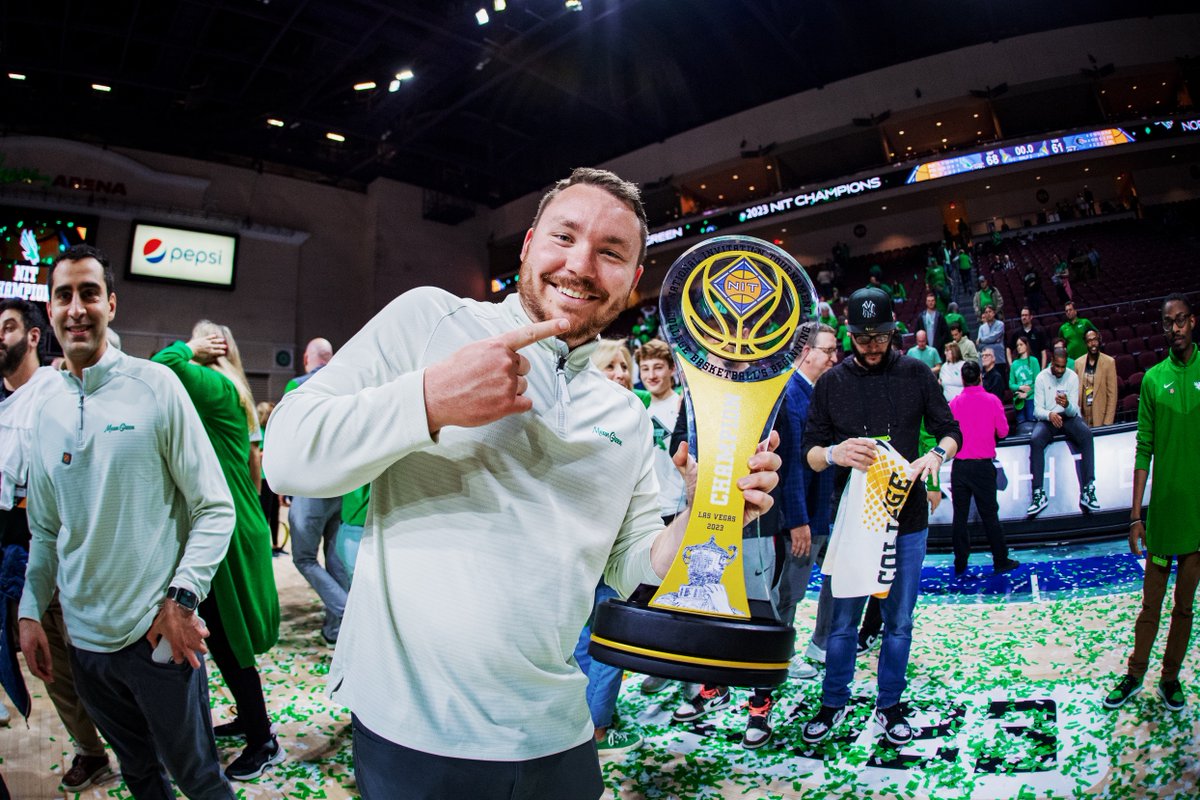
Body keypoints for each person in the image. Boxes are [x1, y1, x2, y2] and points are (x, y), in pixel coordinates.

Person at [262, 168, 780, 798]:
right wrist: (428, 400)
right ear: (529, 243)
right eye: (564, 237)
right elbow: (287, 456)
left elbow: (633, 567)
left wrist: (707, 512)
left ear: (634, 280)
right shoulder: (431, 320)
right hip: (417, 734)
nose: (581, 265)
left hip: (557, 732)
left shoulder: (623, 414)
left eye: (611, 252)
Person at [18, 245, 237, 799]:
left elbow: (214, 506)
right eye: (63, 295)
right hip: (84, 644)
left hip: (156, 635)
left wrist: (183, 599)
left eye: (89, 293)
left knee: (199, 778)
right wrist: (29, 613)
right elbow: (45, 530)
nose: (76, 308)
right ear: (49, 309)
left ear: (110, 305)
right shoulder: (45, 412)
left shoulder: (155, 387)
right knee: (138, 774)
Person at [799, 286, 961, 746]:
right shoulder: (831, 382)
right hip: (854, 524)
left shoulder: (915, 373)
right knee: (843, 621)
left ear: (895, 332)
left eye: (880, 338)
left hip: (907, 519)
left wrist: (936, 458)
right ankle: (833, 701)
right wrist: (834, 452)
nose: (871, 347)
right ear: (849, 335)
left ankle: (889, 702)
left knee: (900, 621)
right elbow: (808, 453)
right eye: (862, 338)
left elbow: (951, 431)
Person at [151, 322, 285, 780]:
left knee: (228, 640)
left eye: (199, 337)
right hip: (239, 519)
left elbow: (159, 366)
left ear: (212, 346)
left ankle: (263, 739)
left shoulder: (208, 384)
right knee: (223, 636)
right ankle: (251, 721)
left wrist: (186, 347)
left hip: (224, 528)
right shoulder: (234, 389)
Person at [0, 299, 113, 792]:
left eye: (6, 327)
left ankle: (140, 744)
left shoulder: (57, 388)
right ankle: (91, 751)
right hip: (10, 553)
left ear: (31, 336)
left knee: (96, 661)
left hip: (59, 548)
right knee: (50, 669)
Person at [736, 322, 838, 749]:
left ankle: (798, 649)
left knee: (810, 585)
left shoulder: (814, 392)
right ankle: (776, 660)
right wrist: (799, 519)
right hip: (794, 517)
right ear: (804, 351)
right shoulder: (787, 394)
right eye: (829, 350)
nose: (835, 357)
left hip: (818, 511)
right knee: (785, 594)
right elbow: (792, 465)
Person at [1104, 294, 1200, 713]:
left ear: (1192, 322)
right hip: (1160, 516)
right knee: (1150, 606)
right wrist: (1135, 517)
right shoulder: (1151, 380)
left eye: (1181, 321)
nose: (1175, 328)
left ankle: (1170, 677)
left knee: (1184, 607)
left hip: (1197, 518)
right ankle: (1134, 674)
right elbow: (1143, 448)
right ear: (1162, 327)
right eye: (1168, 323)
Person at [571, 338, 645, 755]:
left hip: (607, 545)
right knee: (604, 640)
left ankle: (586, 718)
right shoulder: (612, 420)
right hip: (601, 545)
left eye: (623, 366)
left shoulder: (627, 414)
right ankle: (596, 725)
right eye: (610, 366)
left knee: (590, 636)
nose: (619, 373)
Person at [286, 337, 348, 645]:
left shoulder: (298, 385)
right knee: (333, 557)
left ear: (307, 358)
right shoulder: (346, 385)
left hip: (310, 485)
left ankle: (346, 613)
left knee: (304, 558)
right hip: (341, 484)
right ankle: (334, 630)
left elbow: (289, 438)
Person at [948, 361, 1018, 578]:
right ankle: (1000, 559)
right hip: (983, 466)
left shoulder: (954, 404)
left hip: (960, 466)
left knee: (959, 517)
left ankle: (960, 563)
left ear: (962, 379)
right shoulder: (992, 401)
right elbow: (1004, 431)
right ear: (980, 377)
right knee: (990, 516)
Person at [1025, 348, 1100, 517]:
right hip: (1048, 418)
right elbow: (1037, 410)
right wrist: (1050, 415)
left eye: (1063, 367)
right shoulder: (1041, 378)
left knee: (1087, 435)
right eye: (1057, 366)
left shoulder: (1072, 377)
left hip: (1068, 417)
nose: (1060, 370)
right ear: (1052, 361)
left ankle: (1088, 489)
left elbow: (1074, 411)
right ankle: (1038, 494)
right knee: (1035, 440)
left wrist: (1066, 405)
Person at [634, 339, 687, 523]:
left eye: (658, 367)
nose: (651, 375)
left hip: (679, 508)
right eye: (645, 369)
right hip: (647, 511)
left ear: (672, 369)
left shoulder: (684, 408)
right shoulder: (639, 409)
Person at [1074, 329, 1118, 428]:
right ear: (1085, 343)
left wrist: (1108, 422)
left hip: (1100, 414)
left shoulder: (1109, 362)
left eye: (1095, 339)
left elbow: (1112, 395)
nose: (1093, 343)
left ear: (1099, 340)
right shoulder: (1078, 363)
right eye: (1089, 341)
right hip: (1083, 415)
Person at [1009, 334, 1040, 425]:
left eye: (1021, 344)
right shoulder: (1014, 364)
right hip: (1019, 399)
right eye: (1017, 345)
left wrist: (1027, 394)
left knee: (1032, 422)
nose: (1019, 347)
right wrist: (1020, 387)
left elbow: (1037, 382)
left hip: (1031, 398)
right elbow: (1011, 384)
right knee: (1021, 424)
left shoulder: (1034, 361)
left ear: (1026, 345)